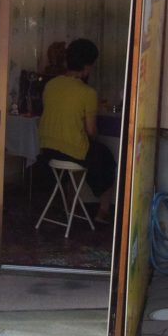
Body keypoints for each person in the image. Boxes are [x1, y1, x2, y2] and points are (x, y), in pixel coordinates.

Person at [37, 38, 116, 225]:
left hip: (48, 150)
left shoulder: (51, 85)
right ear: (88, 66)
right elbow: (91, 131)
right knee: (106, 157)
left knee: (87, 155)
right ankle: (103, 211)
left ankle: (71, 203)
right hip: (73, 152)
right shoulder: (88, 93)